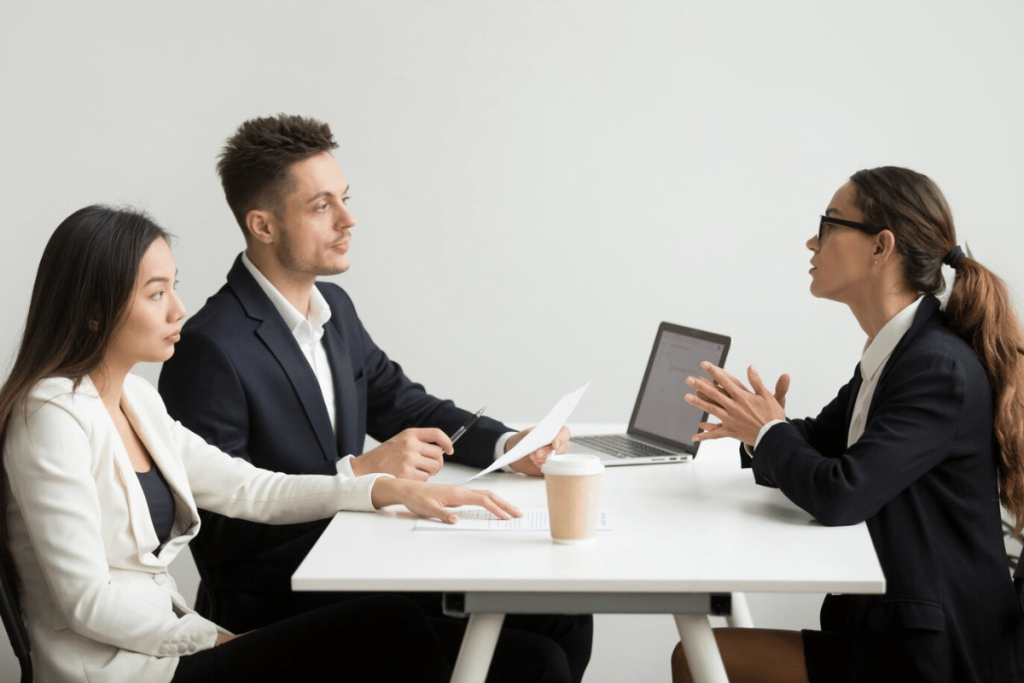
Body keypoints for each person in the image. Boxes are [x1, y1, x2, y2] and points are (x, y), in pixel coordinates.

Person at [0, 205, 528, 683]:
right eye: (156, 293)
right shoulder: (48, 417)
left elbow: (251, 489)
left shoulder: (137, 400)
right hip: (124, 673)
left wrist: (380, 489)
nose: (177, 309)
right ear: (94, 311)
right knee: (393, 629)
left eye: (174, 287)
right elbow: (84, 602)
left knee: (411, 634)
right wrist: (216, 639)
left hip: (172, 652)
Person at [157, 114, 591, 682]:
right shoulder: (209, 347)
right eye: (321, 207)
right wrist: (359, 473)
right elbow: (217, 535)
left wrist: (510, 443)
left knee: (565, 615)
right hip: (284, 603)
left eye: (344, 198)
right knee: (535, 663)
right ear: (262, 225)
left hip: (367, 568)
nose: (348, 219)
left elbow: (406, 405)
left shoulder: (334, 312)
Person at [674, 167, 1024, 683]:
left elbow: (842, 493)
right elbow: (819, 444)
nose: (812, 241)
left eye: (830, 224)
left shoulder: (935, 366)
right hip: (894, 629)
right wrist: (758, 428)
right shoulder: (897, 352)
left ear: (881, 247)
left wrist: (770, 433)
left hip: (934, 655)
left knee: (701, 659)